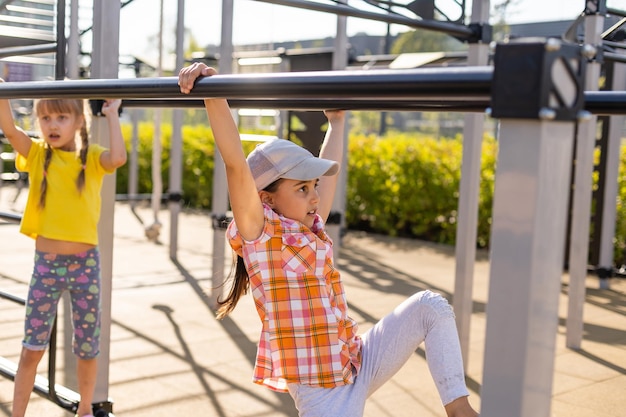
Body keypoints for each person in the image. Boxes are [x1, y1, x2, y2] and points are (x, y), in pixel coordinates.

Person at [178, 62, 479, 417]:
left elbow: (327, 175)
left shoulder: (310, 227)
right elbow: (235, 165)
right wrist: (215, 96)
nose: (314, 197)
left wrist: (336, 121)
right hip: (324, 397)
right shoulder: (260, 235)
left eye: (313, 188)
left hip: (357, 361)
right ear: (267, 198)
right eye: (302, 189)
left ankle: (460, 409)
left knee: (430, 306)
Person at [0, 80, 127, 417]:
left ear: (79, 121)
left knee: (87, 346)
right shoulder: (39, 154)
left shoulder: (93, 159)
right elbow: (11, 130)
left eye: (61, 118)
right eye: (46, 119)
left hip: (86, 263)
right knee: (31, 347)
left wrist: (112, 113)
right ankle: (18, 414)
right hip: (47, 264)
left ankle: (85, 409)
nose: (52, 125)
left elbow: (119, 157)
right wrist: (2, 94)